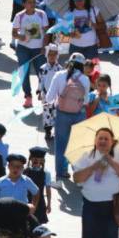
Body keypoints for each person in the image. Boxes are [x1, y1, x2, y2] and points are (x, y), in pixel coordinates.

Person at [72, 127, 119, 238]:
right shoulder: (87, 155)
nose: (103, 141)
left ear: (112, 142)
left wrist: (110, 160)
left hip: (112, 205)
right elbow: (77, 178)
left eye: (106, 139)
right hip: (91, 204)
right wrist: (94, 167)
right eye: (100, 138)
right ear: (95, 141)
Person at [45, 53, 90, 184]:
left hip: (62, 114)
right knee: (77, 144)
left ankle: (61, 172)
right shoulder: (85, 79)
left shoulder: (59, 75)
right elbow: (86, 101)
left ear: (69, 63)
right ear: (82, 65)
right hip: (79, 114)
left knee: (60, 144)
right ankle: (78, 171)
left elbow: (49, 98)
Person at [12, 0, 49, 108]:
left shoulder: (41, 14)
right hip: (23, 49)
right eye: (29, 2)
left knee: (42, 73)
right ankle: (28, 97)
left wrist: (44, 47)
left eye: (34, 2)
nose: (32, 4)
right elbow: (14, 32)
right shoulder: (19, 16)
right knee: (24, 73)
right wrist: (20, 37)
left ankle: (43, 94)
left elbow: (47, 32)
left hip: (38, 49)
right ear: (24, 4)